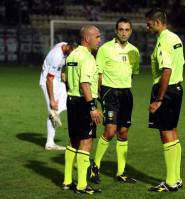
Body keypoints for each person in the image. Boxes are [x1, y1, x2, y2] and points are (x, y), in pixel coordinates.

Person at [90, 17, 140, 184]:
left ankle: (121, 172)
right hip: (110, 93)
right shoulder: (105, 49)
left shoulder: (134, 51)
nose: (124, 33)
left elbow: (133, 73)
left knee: (123, 133)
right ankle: (95, 166)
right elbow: (98, 73)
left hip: (126, 94)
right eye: (121, 29)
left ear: (131, 32)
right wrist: (101, 93)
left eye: (127, 30)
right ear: (116, 31)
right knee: (110, 131)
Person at [145, 8, 185, 192]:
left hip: (166, 90)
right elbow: (180, 64)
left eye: (149, 23)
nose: (147, 27)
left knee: (166, 133)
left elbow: (166, 70)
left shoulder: (163, 42)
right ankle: (176, 178)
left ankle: (170, 182)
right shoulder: (176, 38)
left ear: (158, 22)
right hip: (177, 89)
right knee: (173, 132)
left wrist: (159, 98)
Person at [62, 25, 103, 195]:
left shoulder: (72, 55)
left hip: (71, 100)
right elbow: (84, 84)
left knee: (74, 141)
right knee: (86, 142)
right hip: (83, 101)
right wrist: (92, 107)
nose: (99, 40)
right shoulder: (87, 58)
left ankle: (67, 181)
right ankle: (82, 185)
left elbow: (64, 77)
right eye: (97, 37)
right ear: (87, 38)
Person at [39, 42, 74, 150]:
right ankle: (49, 143)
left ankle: (55, 116)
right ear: (69, 47)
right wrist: (52, 99)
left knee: (68, 103)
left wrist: (62, 72)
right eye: (73, 52)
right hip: (49, 83)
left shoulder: (63, 45)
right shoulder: (56, 57)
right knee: (54, 110)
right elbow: (49, 79)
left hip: (58, 82)